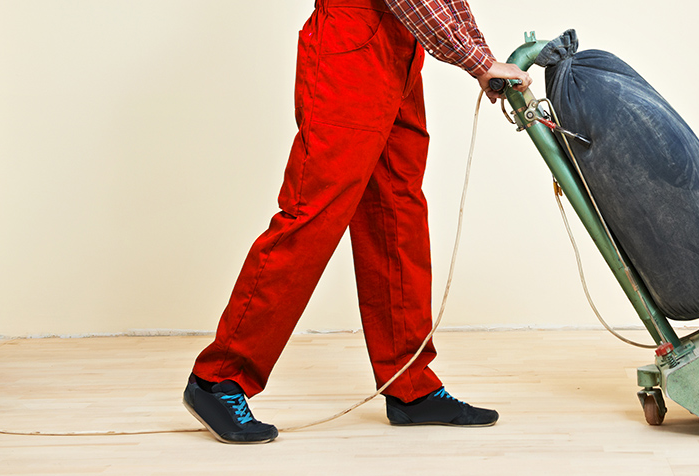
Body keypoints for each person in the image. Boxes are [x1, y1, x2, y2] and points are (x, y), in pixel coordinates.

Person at [182, 0, 532, 444]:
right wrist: (477, 61)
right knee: (314, 214)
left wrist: (482, 53)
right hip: (350, 45)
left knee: (398, 212)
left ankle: (410, 386)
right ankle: (218, 379)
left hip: (399, 49)